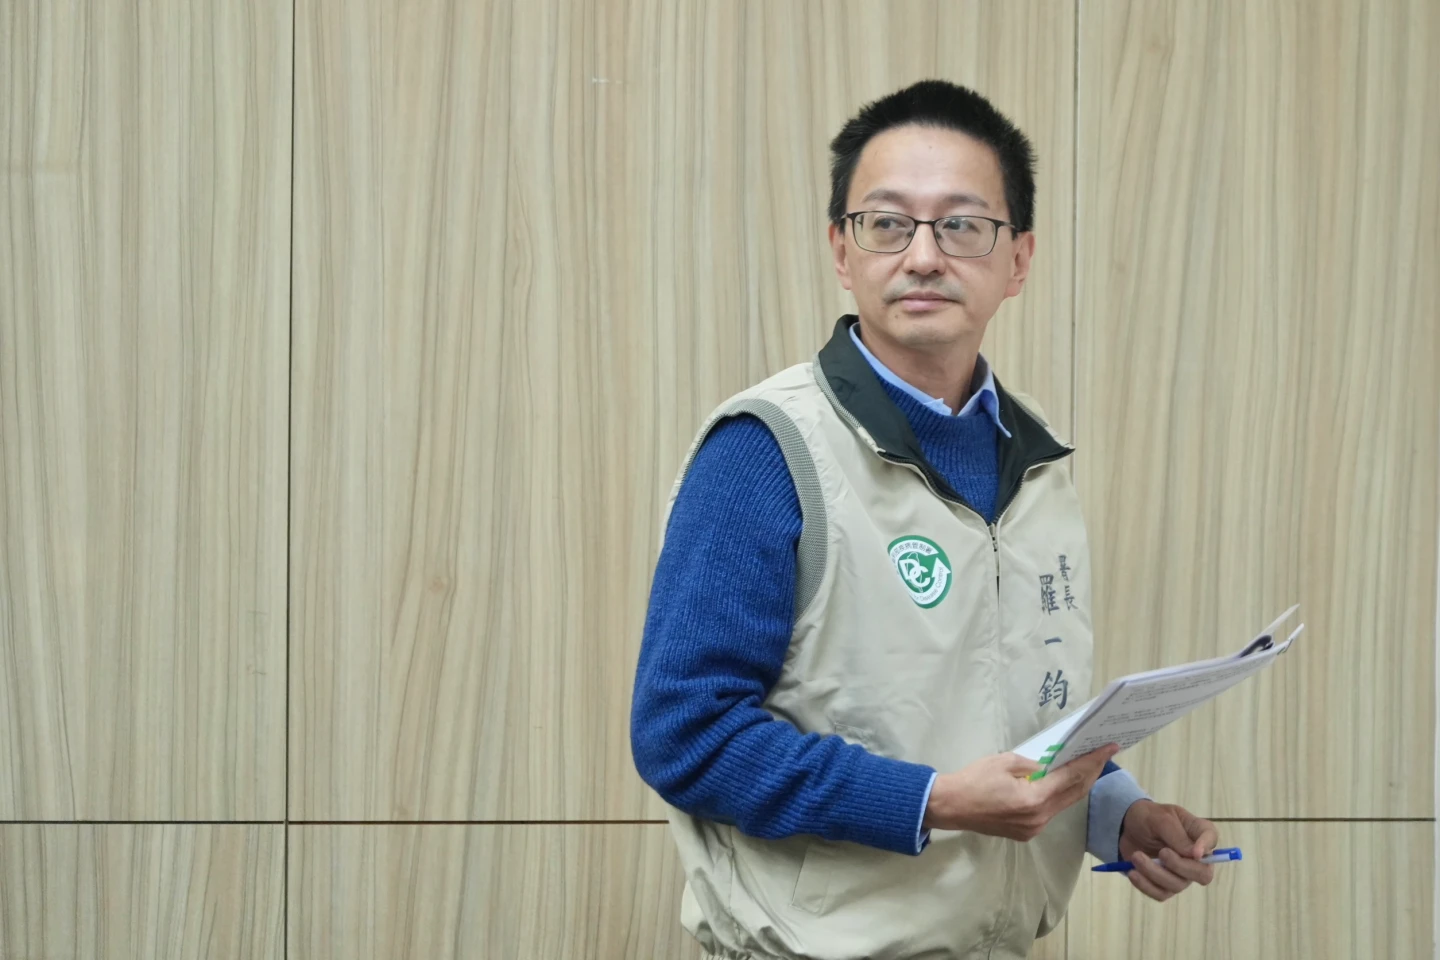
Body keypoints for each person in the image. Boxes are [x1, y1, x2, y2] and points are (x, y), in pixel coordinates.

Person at [630, 79, 1219, 960]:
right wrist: (932, 802)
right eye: (887, 223)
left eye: (962, 225)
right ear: (842, 249)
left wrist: (1115, 810)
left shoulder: (1035, 455)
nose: (923, 256)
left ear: (1019, 259)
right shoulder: (768, 450)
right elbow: (686, 736)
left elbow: (1002, 710)